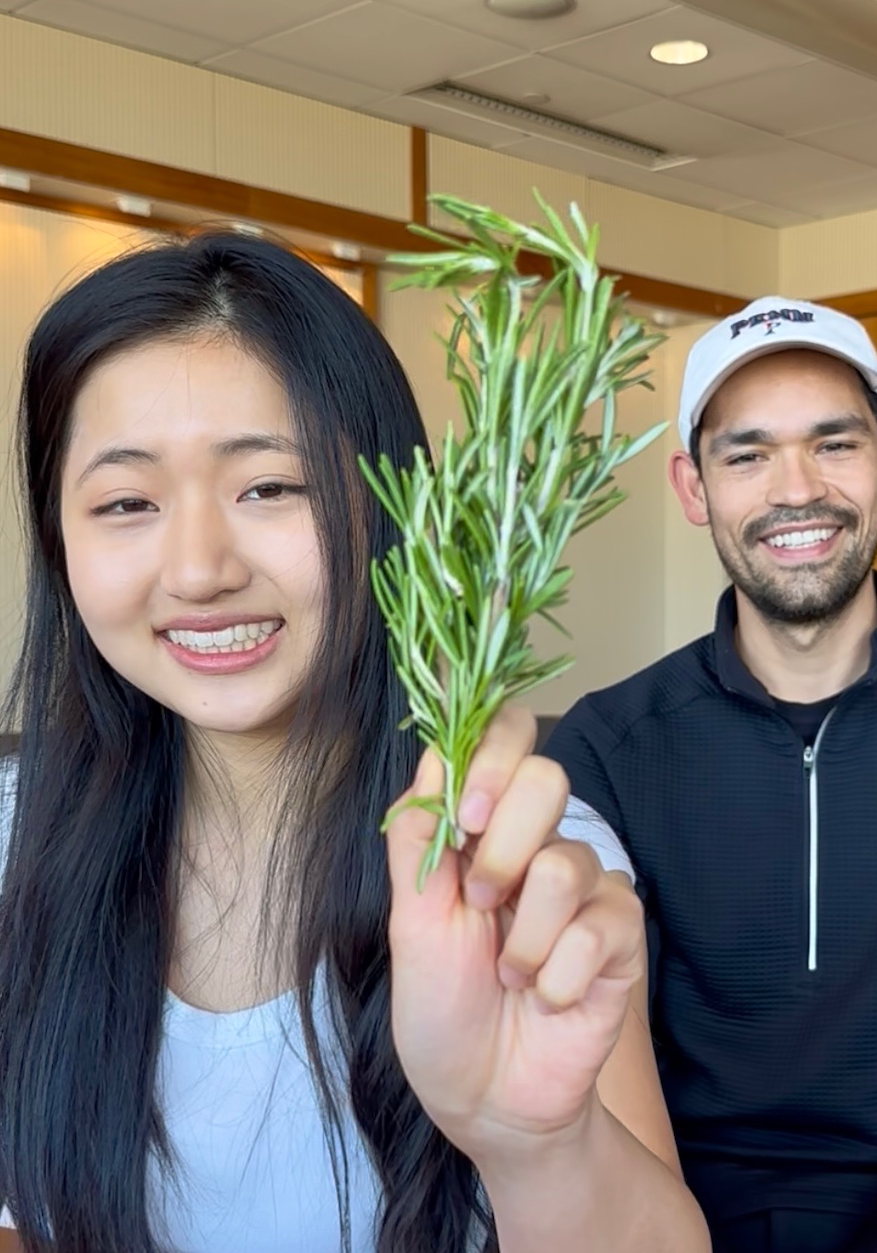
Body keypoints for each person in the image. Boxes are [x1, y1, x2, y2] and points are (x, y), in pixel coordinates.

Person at [0, 232, 710, 1253]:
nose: (198, 568)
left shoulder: (509, 860)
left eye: (269, 487)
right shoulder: (19, 835)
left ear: (391, 510)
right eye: (126, 503)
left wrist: (533, 1143)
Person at [545, 295, 877, 1253]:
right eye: (746, 454)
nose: (796, 489)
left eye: (834, 445)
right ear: (693, 487)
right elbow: (587, 1088)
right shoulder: (603, 753)